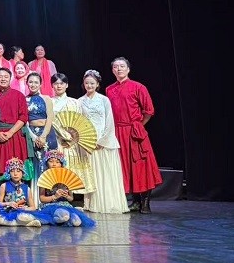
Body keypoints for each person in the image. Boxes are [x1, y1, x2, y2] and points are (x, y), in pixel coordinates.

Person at [106, 57, 162, 214]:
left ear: (128, 69)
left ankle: (145, 202)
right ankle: (135, 201)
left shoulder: (138, 87)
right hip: (117, 132)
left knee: (141, 165)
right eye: (115, 67)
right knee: (125, 167)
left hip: (134, 131)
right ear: (112, 70)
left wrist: (138, 125)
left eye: (122, 66)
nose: (119, 69)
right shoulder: (109, 89)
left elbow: (149, 110)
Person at [79, 70, 130, 214]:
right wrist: (87, 141)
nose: (89, 85)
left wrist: (102, 140)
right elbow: (79, 122)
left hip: (105, 141)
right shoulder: (80, 101)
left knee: (107, 174)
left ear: (97, 84)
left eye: (92, 83)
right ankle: (94, 204)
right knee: (93, 174)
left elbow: (109, 121)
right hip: (88, 142)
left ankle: (110, 203)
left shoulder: (104, 100)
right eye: (87, 83)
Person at [50, 73, 96, 198]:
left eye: (62, 83)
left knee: (73, 166)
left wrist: (73, 138)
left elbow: (80, 122)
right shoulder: (49, 102)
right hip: (55, 139)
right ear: (52, 86)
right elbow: (50, 121)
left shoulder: (75, 102)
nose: (59, 86)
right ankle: (58, 196)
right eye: (56, 83)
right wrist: (62, 134)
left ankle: (75, 197)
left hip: (72, 140)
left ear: (67, 85)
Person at [38, 150, 96, 227]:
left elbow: (71, 198)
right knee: (58, 213)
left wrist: (66, 196)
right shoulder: (44, 177)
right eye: (51, 161)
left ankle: (72, 219)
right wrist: (54, 196)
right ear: (46, 163)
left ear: (61, 164)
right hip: (50, 205)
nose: (54, 164)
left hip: (65, 204)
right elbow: (42, 198)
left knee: (70, 213)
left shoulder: (67, 177)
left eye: (57, 162)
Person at [0, 68, 29, 182]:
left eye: (6, 77)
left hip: (15, 134)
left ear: (10, 78)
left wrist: (10, 132)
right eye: (0, 76)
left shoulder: (19, 95)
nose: (3, 79)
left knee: (17, 167)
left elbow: (23, 117)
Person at [25, 72, 57, 183]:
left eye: (36, 82)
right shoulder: (24, 99)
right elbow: (24, 121)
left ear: (40, 84)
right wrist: (33, 137)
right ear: (27, 83)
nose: (33, 84)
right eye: (30, 82)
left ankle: (49, 190)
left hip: (47, 133)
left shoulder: (46, 98)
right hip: (31, 133)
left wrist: (43, 136)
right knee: (35, 162)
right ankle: (36, 191)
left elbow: (50, 117)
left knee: (49, 161)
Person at [0, 158, 42, 226]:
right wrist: (8, 203)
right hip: (7, 212)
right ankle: (26, 224)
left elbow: (33, 207)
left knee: (22, 216)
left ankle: (18, 223)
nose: (15, 174)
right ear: (9, 173)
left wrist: (24, 208)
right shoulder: (4, 186)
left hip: (22, 213)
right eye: (12, 171)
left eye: (18, 171)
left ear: (23, 173)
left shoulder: (27, 188)